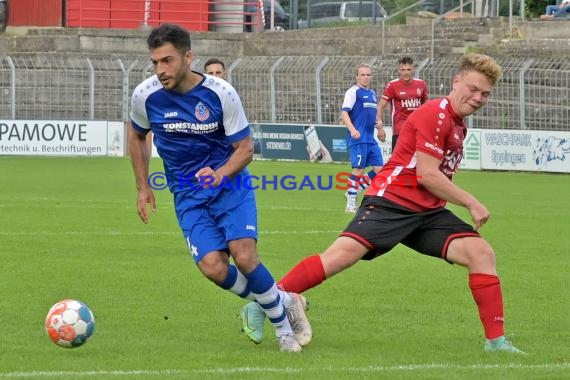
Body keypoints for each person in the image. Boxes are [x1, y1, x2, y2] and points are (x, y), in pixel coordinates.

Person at [240, 53, 525, 354]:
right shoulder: (435, 114)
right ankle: (263, 304)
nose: (478, 97)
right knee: (338, 258)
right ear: (456, 82)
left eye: (485, 94)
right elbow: (427, 175)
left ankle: (495, 342)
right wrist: (472, 203)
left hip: (427, 211)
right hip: (392, 201)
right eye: (473, 88)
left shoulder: (458, 124)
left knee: (481, 253)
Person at [128, 24, 310, 353]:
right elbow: (137, 135)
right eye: (155, 63)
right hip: (187, 194)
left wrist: (220, 173)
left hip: (230, 184)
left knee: (243, 255)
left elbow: (245, 149)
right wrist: (143, 187)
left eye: (167, 61)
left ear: (187, 57)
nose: (160, 70)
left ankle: (284, 332)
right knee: (212, 267)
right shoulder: (145, 96)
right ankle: (283, 300)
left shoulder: (220, 93)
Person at [341, 63, 386, 213]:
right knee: (358, 170)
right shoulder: (353, 92)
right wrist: (352, 130)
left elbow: (371, 117)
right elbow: (344, 113)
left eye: (368, 75)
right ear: (357, 77)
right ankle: (350, 204)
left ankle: (352, 191)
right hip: (358, 138)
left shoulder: (372, 94)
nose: (366, 77)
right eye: (363, 75)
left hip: (370, 139)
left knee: (380, 170)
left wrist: (379, 128)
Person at [377, 56, 428, 152]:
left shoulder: (421, 84)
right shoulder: (392, 85)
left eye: (408, 69)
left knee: (418, 164)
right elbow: (380, 106)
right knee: (398, 164)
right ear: (399, 70)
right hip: (400, 131)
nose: (406, 72)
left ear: (412, 69)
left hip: (417, 130)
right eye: (403, 69)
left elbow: (426, 104)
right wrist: (380, 127)